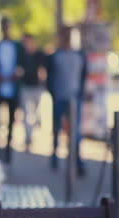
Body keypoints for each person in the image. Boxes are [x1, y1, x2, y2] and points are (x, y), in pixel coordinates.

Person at [46, 26, 87, 175]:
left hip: (74, 99)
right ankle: (54, 155)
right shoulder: (55, 56)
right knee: (56, 128)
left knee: (75, 131)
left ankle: (77, 161)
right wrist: (53, 94)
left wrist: (80, 94)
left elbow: (83, 76)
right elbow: (49, 78)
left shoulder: (79, 55)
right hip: (59, 98)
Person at [0, 17, 24, 163]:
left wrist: (18, 73)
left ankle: (8, 151)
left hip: (13, 89)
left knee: (11, 122)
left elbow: (26, 65)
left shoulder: (18, 47)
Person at [20, 33, 46, 150]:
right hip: (26, 87)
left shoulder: (39, 54)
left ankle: (32, 131)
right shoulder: (23, 55)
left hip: (36, 87)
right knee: (27, 113)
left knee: (35, 113)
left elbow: (43, 70)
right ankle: (28, 137)